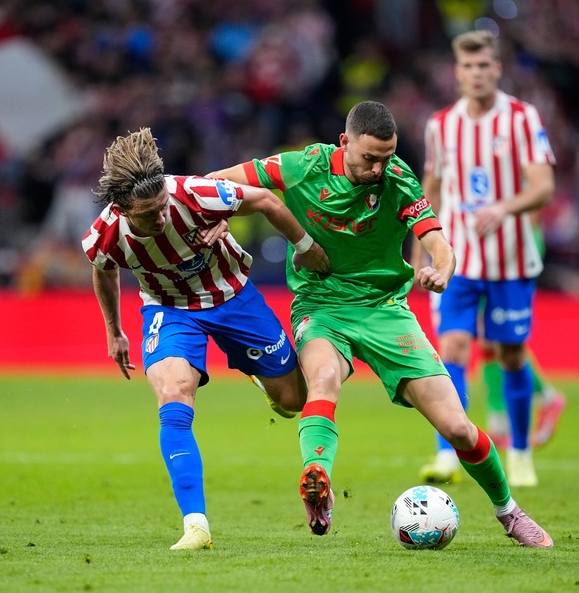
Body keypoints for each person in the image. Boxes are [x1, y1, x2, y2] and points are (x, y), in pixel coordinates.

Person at [208, 100, 553, 547]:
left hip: (387, 310)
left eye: (386, 157)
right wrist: (212, 214)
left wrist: (441, 269)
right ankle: (318, 480)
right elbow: (215, 183)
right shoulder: (301, 167)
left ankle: (510, 513)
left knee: (457, 427)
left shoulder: (399, 179)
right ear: (344, 142)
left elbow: (437, 240)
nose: (378, 168)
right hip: (322, 305)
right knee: (324, 379)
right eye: (370, 157)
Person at [81, 127, 329, 551]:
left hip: (234, 298)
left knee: (292, 401)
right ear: (121, 209)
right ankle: (196, 525)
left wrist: (305, 245)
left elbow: (267, 199)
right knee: (174, 395)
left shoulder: (194, 193)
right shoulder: (104, 235)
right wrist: (114, 329)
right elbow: (104, 269)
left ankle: (259, 378)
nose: (160, 217)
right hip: (170, 310)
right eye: (148, 214)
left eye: (162, 206)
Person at [411, 30, 557, 488]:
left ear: (497, 68)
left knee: (511, 355)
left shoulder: (521, 118)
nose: (476, 74)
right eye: (468, 67)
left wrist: (503, 207)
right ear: (457, 73)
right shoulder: (441, 125)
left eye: (484, 65)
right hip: (457, 259)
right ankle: (448, 453)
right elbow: (429, 191)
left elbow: (544, 186)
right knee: (452, 348)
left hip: (511, 260)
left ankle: (519, 451)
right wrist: (419, 253)